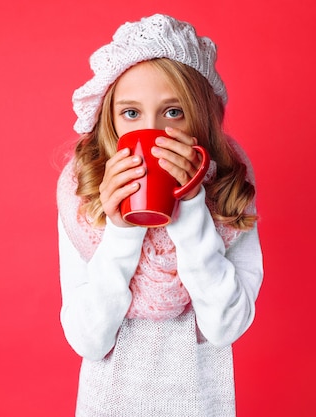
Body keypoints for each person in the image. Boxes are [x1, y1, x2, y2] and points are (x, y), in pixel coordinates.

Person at [56, 14, 263, 416]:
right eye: (131, 113)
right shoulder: (83, 196)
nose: (153, 130)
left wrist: (189, 204)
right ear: (111, 121)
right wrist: (121, 227)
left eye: (173, 113)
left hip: (202, 404)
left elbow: (226, 327)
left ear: (200, 118)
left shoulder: (230, 190)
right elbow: (88, 340)